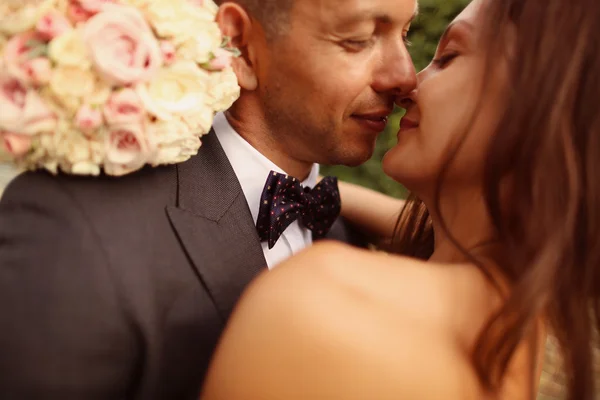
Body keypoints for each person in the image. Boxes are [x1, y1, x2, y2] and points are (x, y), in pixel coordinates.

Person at [0, 0, 417, 398]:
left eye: (407, 35)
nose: (405, 77)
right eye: (359, 38)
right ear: (243, 46)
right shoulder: (80, 229)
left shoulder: (338, 228)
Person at [200, 0, 600, 398]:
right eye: (359, 40)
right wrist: (315, 190)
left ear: (544, 108)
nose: (408, 81)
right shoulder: (533, 329)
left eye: (449, 57)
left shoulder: (327, 301)